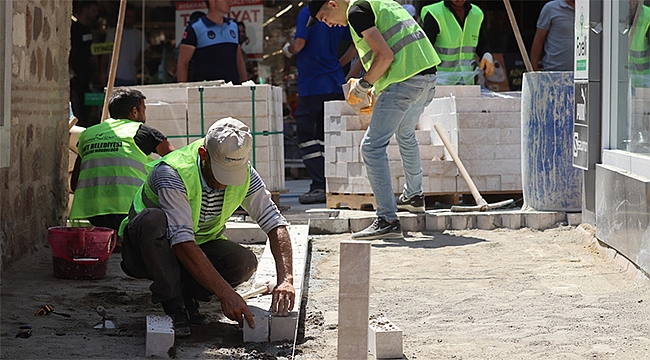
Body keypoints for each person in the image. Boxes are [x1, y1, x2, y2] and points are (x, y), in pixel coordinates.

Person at [118, 118, 296, 338]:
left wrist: (286, 279)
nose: (224, 184)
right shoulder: (173, 172)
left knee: (244, 262)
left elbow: (274, 222)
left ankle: (188, 295)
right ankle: (174, 306)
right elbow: (182, 242)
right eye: (219, 174)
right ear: (204, 154)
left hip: (195, 244)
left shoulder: (246, 173)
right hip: (145, 249)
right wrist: (226, 294)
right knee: (153, 220)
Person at [307, 0, 440, 239]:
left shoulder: (356, 13)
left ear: (332, 4)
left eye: (324, 17)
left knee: (371, 147)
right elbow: (391, 51)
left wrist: (363, 86)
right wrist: (376, 89)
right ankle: (413, 196)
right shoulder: (378, 3)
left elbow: (385, 56)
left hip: (405, 82)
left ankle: (387, 219)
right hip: (427, 79)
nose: (327, 24)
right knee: (405, 132)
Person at [69, 88, 175, 233]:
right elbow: (177, 161)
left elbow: (75, 184)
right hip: (130, 211)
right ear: (134, 111)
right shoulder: (144, 132)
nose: (145, 114)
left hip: (91, 213)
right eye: (143, 109)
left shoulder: (88, 134)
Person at [282, 6, 355, 204]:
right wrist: (338, 64)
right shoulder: (337, 14)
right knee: (328, 135)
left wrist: (286, 50)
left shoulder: (308, 13)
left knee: (306, 135)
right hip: (333, 82)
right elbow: (357, 43)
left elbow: (298, 44)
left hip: (312, 84)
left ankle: (319, 185)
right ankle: (332, 183)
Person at [420, 0, 494, 85]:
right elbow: (425, 50)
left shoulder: (477, 14)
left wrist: (486, 54)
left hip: (466, 82)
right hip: (440, 82)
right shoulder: (435, 13)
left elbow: (482, 43)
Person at [177, 0, 247, 84]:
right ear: (212, 2)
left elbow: (239, 60)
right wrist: (183, 92)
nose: (230, 2)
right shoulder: (195, 28)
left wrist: (246, 86)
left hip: (233, 89)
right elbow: (183, 63)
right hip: (206, 91)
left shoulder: (233, 26)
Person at [101, 4, 148, 86]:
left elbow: (146, 51)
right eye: (128, 17)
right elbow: (105, 55)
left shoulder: (139, 34)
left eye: (132, 17)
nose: (130, 19)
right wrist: (103, 73)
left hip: (131, 77)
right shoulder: (112, 33)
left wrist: (140, 59)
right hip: (113, 77)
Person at [69, 0, 99, 128]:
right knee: (77, 106)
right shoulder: (74, 29)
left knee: (87, 108)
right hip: (76, 75)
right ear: (85, 9)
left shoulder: (90, 29)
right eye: (93, 10)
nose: (96, 14)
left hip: (87, 75)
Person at [530, 0, 575, 71]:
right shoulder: (550, 8)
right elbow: (539, 40)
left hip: (583, 71)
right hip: (554, 71)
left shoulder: (588, 9)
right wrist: (533, 70)